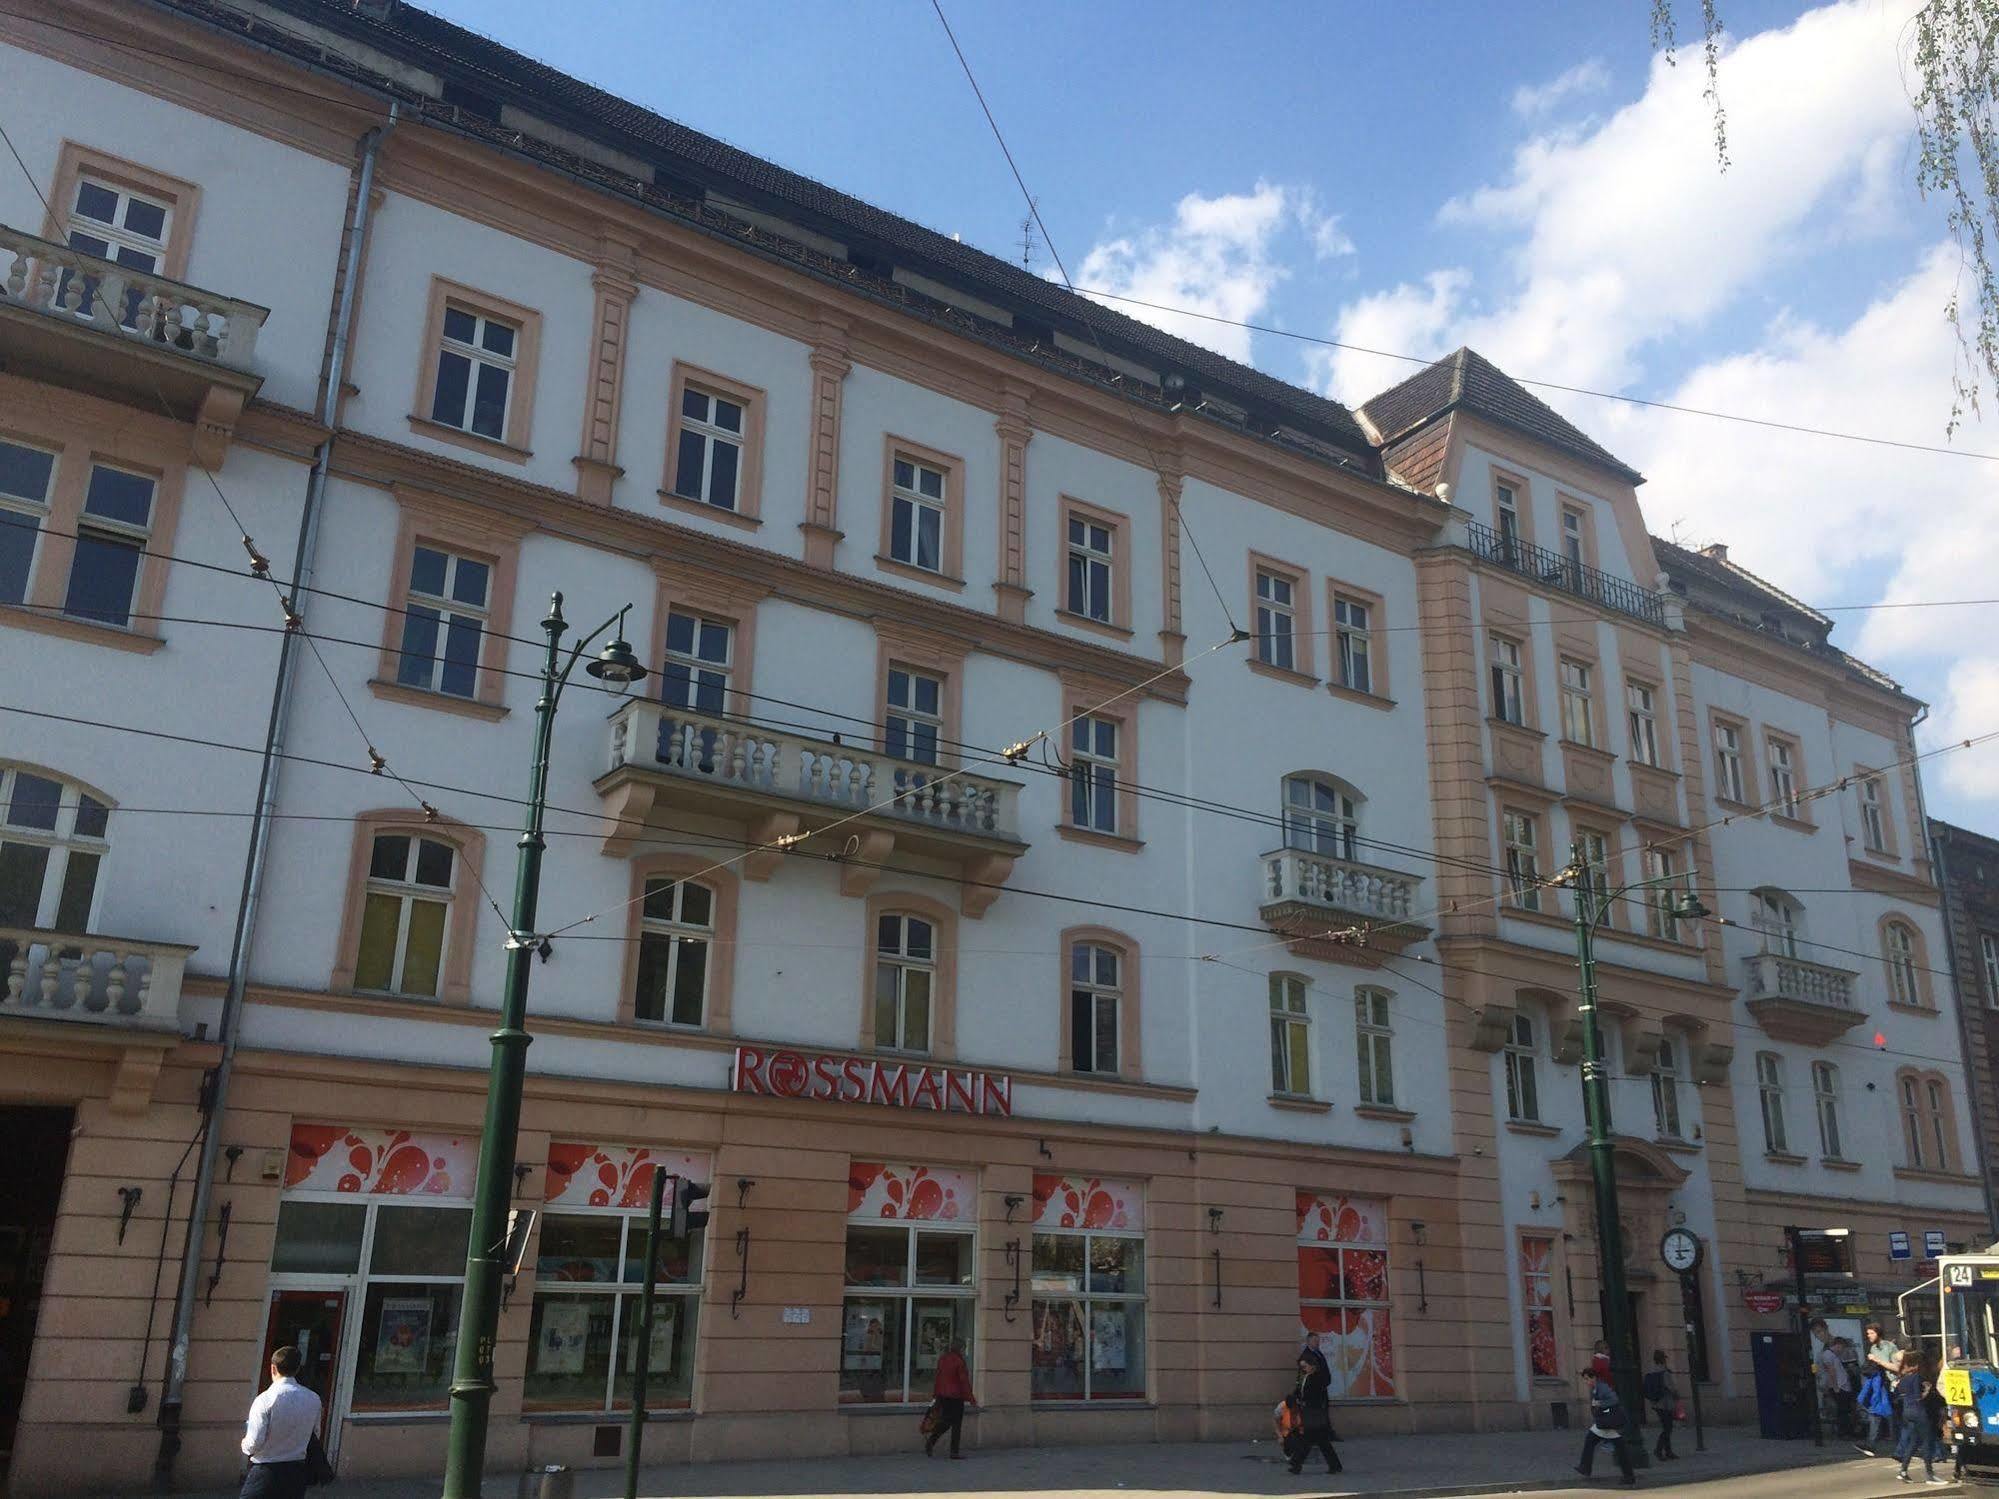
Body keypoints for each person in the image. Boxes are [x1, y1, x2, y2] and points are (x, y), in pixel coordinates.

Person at [239, 1346, 322, 1499]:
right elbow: (315, 1434)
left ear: (273, 1369)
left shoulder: (265, 1400)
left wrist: (244, 1445)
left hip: (266, 1471)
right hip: (296, 1472)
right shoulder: (313, 1399)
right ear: (297, 1369)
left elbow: (255, 1442)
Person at [1577, 1362, 1636, 1486]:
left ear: (1593, 1377)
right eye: (1585, 1379)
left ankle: (1585, 1467)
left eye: (1587, 1379)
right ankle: (1628, 1476)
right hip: (1606, 1422)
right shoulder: (1596, 1388)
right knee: (1619, 1449)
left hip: (1609, 1421)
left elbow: (1614, 1400)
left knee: (1617, 1449)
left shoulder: (1602, 1387)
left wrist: (1599, 1404)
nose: (1586, 1382)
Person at [1893, 1351, 1945, 1484]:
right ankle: (1930, 1474)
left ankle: (1903, 1471)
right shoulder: (1917, 1377)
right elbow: (1918, 1397)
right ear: (1916, 1365)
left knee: (1914, 1441)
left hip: (1907, 1411)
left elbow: (1898, 1393)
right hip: (1918, 1411)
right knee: (1927, 1441)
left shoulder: (1903, 1378)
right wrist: (1927, 1390)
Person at [1286, 1354, 1341, 1476]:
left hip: (1315, 1413)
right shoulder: (1304, 1377)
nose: (1302, 1369)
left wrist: (1304, 1401)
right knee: (1321, 1441)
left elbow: (1318, 1397)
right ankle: (1335, 1465)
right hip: (1308, 1413)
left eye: (1304, 1366)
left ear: (1312, 1366)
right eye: (1301, 1367)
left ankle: (1296, 1463)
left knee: (1309, 1439)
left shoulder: (1318, 1378)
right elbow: (1299, 1391)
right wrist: (1293, 1398)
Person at [925, 1339, 975, 1460]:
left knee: (946, 1421)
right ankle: (954, 1452)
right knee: (956, 1424)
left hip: (943, 1395)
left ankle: (932, 1440)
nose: (964, 1351)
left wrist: (936, 1394)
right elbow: (964, 1382)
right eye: (963, 1348)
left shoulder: (943, 1359)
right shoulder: (959, 1361)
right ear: (960, 1349)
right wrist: (971, 1399)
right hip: (956, 1397)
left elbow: (938, 1377)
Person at [1859, 1324, 1903, 1455]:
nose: (1869, 1336)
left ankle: (1902, 1446)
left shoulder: (1890, 1347)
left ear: (1878, 1333)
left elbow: (1897, 1367)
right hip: (1880, 1385)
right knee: (1875, 1413)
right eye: (1868, 1334)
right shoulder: (1873, 1348)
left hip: (1892, 1384)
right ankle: (1871, 1444)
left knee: (1894, 1417)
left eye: (1871, 1333)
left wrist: (1878, 1361)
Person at [1643, 1350, 1679, 1460]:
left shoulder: (1651, 1371)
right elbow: (1671, 1388)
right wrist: (1677, 1395)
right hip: (1665, 1404)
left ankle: (1668, 1451)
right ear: (1663, 1359)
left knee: (1666, 1427)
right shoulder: (1665, 1372)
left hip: (1655, 1403)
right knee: (1668, 1428)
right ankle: (1658, 1450)